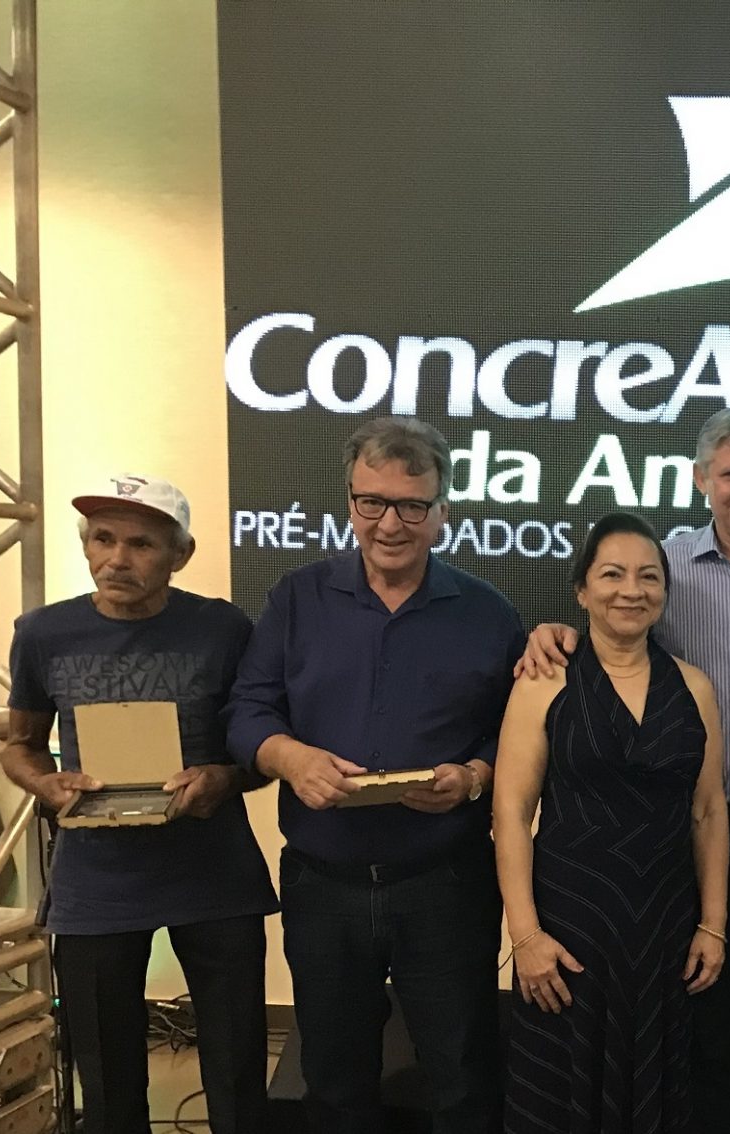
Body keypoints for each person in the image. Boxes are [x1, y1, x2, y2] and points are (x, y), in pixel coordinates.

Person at [517, 407, 730, 1134]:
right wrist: (552, 631)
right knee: (704, 1022)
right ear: (701, 480)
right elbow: (611, 628)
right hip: (688, 837)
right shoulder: (661, 566)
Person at [227, 416, 523, 1133]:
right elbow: (247, 711)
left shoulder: (488, 613)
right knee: (334, 1084)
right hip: (323, 885)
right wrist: (291, 758)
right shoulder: (296, 599)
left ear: (442, 512)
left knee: (462, 1079)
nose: (390, 524)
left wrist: (474, 775)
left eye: (412, 506)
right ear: (350, 503)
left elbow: (514, 733)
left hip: (444, 885)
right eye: (373, 502)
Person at [1, 475, 274, 1134]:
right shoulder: (42, 633)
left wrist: (222, 778)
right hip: (97, 885)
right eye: (103, 539)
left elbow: (260, 747)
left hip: (214, 876)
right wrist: (47, 784)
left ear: (181, 553)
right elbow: (20, 746)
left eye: (141, 544)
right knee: (107, 1082)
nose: (117, 559)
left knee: (238, 1073)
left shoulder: (224, 628)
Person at [495, 510, 729, 1131]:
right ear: (582, 590)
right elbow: (511, 813)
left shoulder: (695, 688)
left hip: (664, 928)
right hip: (569, 933)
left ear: (665, 592)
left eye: (649, 576)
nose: (632, 590)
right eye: (612, 574)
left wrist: (714, 925)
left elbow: (707, 811)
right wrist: (525, 936)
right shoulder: (543, 682)